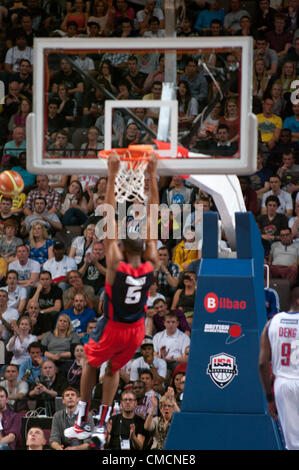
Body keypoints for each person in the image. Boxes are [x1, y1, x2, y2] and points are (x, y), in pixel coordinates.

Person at [64, 152, 159, 448]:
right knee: (114, 370)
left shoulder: (116, 264)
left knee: (90, 363)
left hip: (115, 325)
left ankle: (82, 419)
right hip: (137, 331)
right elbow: (154, 214)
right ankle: (103, 421)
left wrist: (113, 172)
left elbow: (107, 212)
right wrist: (152, 175)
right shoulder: (151, 263)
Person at [259, 309, 299, 450]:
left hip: (283, 383)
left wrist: (269, 398)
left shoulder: (273, 322)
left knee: (292, 444)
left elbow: (262, 363)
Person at [50, 386, 94, 450]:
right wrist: (58, 448)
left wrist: (75, 448)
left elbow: (90, 442)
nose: (70, 397)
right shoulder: (57, 416)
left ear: (78, 399)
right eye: (67, 395)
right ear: (63, 401)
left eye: (73, 395)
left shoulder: (87, 415)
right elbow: (54, 439)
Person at [0, 386, 22, 450]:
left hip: (6, 447)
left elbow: (11, 437)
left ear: (7, 400)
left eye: (1, 396)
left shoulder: (15, 416)